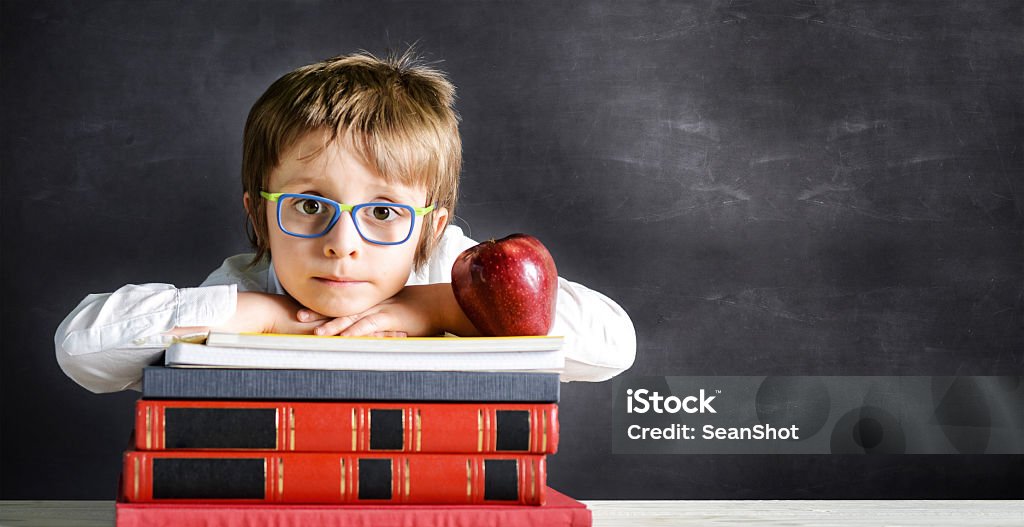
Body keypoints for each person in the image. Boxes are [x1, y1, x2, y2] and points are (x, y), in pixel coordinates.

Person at [55, 50, 636, 393]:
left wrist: (436, 306)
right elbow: (81, 350)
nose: (342, 245)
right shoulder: (251, 284)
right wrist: (260, 312)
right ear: (260, 213)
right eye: (309, 206)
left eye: (383, 212)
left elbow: (613, 346)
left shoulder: (451, 266)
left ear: (432, 226)